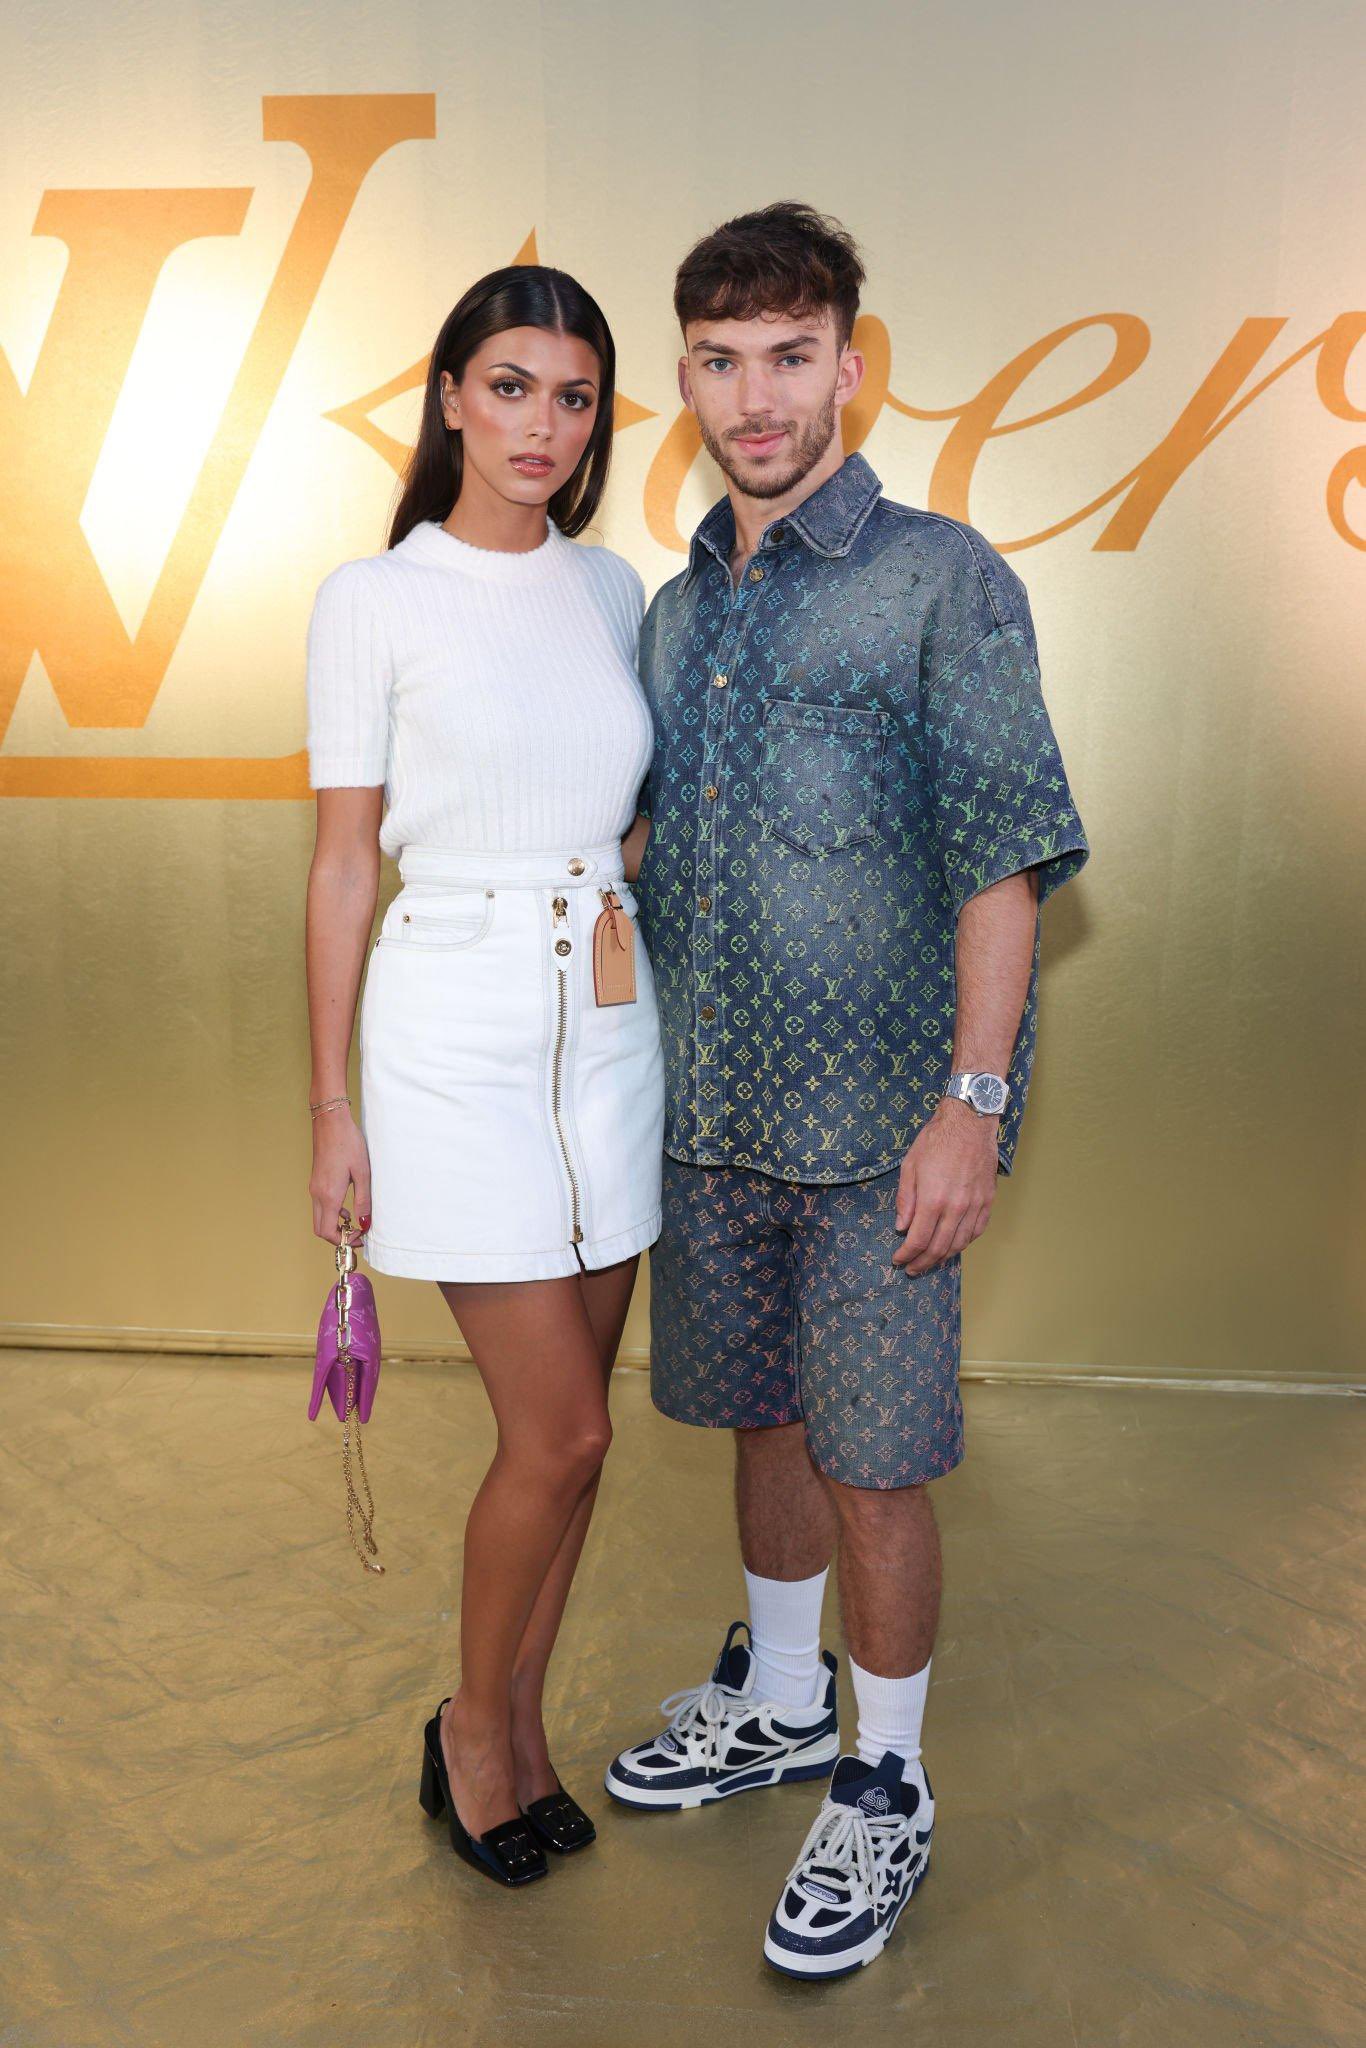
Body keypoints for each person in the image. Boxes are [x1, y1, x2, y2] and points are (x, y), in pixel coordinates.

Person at [605, 203, 1089, 1978]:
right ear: (685, 381)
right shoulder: (670, 613)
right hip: (711, 1120)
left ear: (851, 368)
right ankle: (786, 1698)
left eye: (789, 355)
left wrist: (970, 1102)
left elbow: (1001, 868)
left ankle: (881, 1786)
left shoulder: (940, 579)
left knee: (879, 1465)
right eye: (722, 363)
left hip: (883, 1137)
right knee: (763, 1427)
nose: (756, 396)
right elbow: (658, 844)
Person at [304, 264, 663, 1890]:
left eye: (574, 395)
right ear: (449, 393)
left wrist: (603, 882)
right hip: (449, 1029)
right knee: (565, 1431)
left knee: (580, 1435)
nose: (542, 423)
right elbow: (336, 868)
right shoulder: (372, 599)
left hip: (608, 1019)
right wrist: (331, 1104)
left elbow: (620, 797)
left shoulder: (612, 591)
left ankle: (519, 1724)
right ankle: (467, 1727)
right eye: (510, 385)